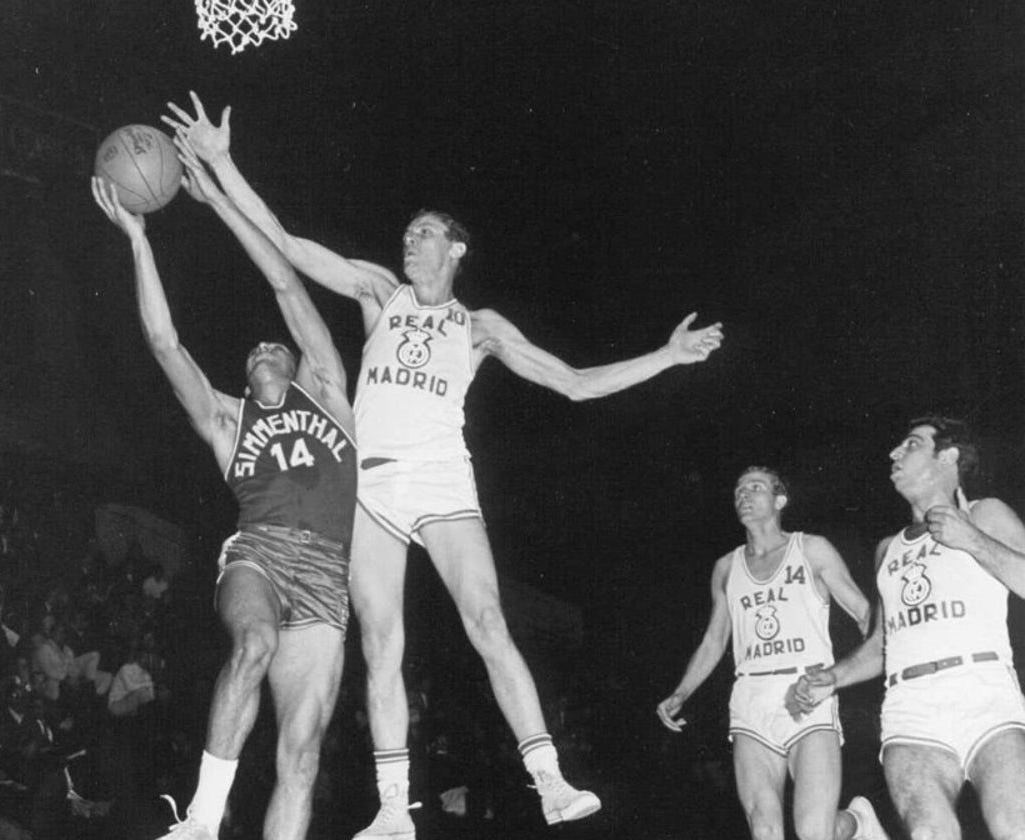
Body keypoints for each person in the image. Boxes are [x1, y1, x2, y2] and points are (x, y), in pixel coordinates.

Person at [163, 92, 724, 837]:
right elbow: (289, 246)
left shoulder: (479, 326)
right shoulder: (379, 294)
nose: (410, 243)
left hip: (439, 475)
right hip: (373, 485)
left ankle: (550, 779)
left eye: (424, 234)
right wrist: (224, 162)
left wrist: (669, 355)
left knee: (487, 618)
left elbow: (576, 384)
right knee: (381, 643)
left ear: (456, 250)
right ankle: (394, 812)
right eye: (407, 233)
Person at [91, 132, 358, 840]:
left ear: (299, 362)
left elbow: (286, 283)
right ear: (246, 376)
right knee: (255, 644)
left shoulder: (330, 394)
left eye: (278, 344)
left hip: (330, 573)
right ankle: (204, 819)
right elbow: (164, 344)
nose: (267, 345)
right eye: (256, 349)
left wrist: (216, 203)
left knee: (300, 758)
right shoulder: (226, 420)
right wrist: (138, 241)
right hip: (260, 555)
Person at [789, 417, 1025, 840]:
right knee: (930, 833)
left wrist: (971, 539)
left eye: (911, 445)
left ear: (948, 457)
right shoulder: (888, 549)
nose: (894, 454)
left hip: (984, 694)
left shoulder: (984, 514)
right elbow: (883, 643)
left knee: (1017, 824)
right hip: (912, 707)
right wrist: (834, 677)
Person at [656, 467, 888, 840]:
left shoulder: (811, 548)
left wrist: (884, 663)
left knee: (815, 833)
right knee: (764, 829)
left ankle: (857, 822)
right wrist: (682, 691)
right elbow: (715, 639)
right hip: (751, 697)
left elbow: (864, 614)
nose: (744, 496)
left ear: (779, 500)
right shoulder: (727, 567)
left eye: (755, 488)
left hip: (806, 691)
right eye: (738, 491)